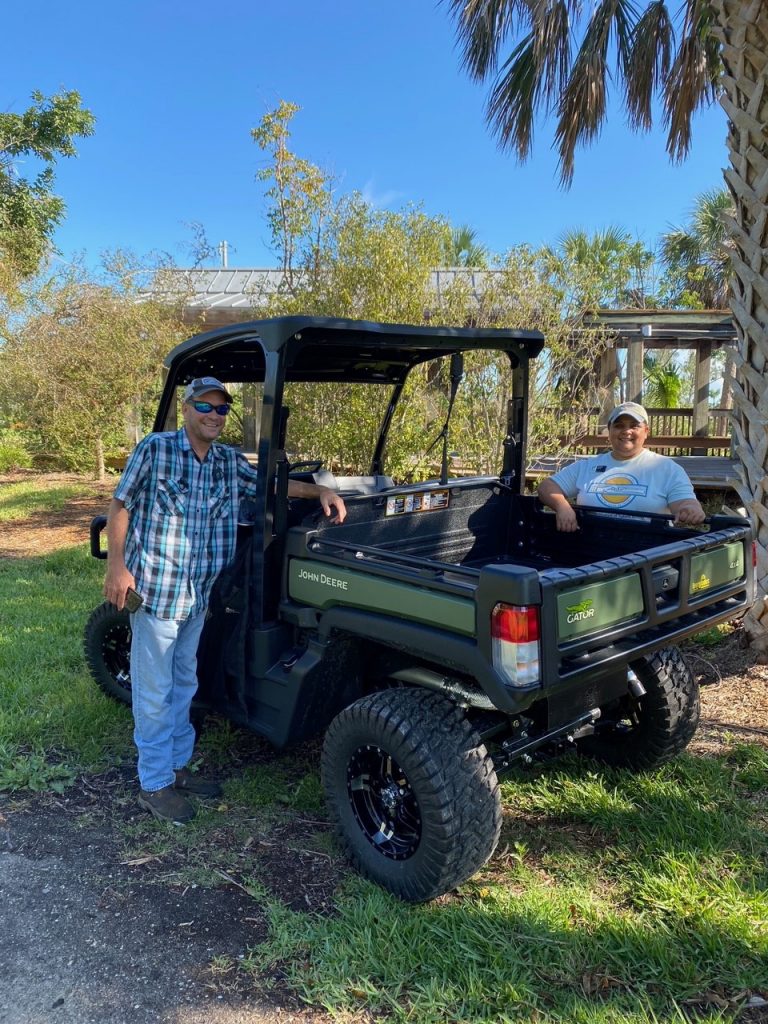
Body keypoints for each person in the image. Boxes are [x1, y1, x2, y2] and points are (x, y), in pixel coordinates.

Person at [103, 376, 347, 824]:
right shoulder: (155, 450)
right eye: (205, 407)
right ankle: (154, 783)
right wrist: (116, 567)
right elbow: (121, 506)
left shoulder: (226, 462)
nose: (214, 416)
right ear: (187, 408)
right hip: (156, 592)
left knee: (184, 685)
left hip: (198, 596)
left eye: (221, 409)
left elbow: (272, 485)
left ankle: (176, 768)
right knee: (154, 691)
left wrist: (321, 492)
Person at [537, 401, 706, 532]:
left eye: (634, 426)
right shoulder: (588, 466)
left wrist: (691, 510)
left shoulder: (667, 469)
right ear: (609, 431)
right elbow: (547, 486)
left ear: (646, 431)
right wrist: (562, 507)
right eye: (619, 426)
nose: (626, 431)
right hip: (590, 547)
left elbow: (685, 503)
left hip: (648, 550)